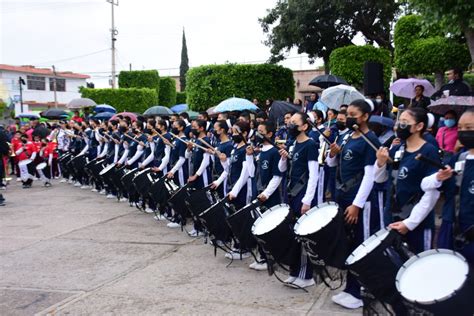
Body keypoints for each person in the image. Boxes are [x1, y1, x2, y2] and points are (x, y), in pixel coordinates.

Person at [327, 99, 382, 309]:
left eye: (353, 114)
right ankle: (350, 288)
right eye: (347, 113)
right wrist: (333, 154)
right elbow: (335, 163)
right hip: (344, 196)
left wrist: (357, 205)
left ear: (365, 116)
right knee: (350, 245)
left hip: (360, 202)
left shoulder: (370, 139)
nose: (349, 117)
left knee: (361, 244)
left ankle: (361, 292)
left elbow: (370, 176)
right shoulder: (348, 136)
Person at [376, 108, 440, 254]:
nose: (399, 126)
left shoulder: (428, 151)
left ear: (419, 126)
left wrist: (410, 223)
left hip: (416, 221)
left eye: (405, 122)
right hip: (392, 215)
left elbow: (432, 193)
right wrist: (380, 163)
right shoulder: (398, 149)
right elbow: (381, 178)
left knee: (418, 265)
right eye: (399, 122)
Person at [278, 112, 319, 289]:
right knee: (292, 235)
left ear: (304, 126)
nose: (290, 125)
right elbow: (282, 169)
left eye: (295, 122)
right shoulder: (293, 143)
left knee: (303, 236)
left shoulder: (310, 145)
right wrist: (283, 157)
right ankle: (295, 272)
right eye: (290, 122)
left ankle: (306, 275)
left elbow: (314, 175)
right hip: (291, 193)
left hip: (302, 195)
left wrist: (307, 200)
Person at [436, 109, 474, 266]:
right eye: (460, 128)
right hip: (451, 224)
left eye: (469, 128)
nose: (463, 132)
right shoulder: (459, 158)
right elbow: (439, 185)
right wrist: (439, 178)